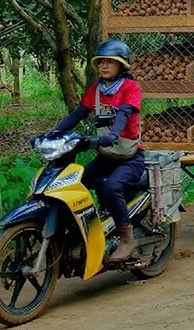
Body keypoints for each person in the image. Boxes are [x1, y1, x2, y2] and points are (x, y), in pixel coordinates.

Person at [45, 39, 145, 263]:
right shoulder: (95, 91)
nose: (105, 66)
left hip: (130, 158)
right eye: (101, 62)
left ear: (122, 66)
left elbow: (124, 114)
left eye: (111, 62)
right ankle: (82, 229)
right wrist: (52, 134)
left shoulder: (130, 88)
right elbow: (76, 115)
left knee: (111, 188)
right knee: (74, 182)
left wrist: (113, 134)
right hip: (105, 156)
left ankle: (127, 239)